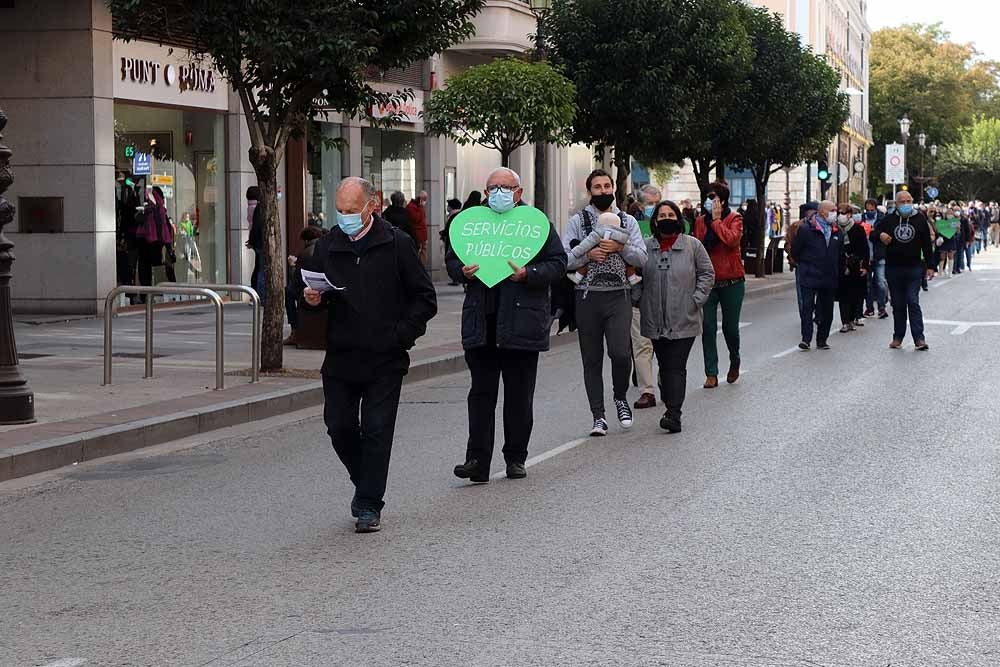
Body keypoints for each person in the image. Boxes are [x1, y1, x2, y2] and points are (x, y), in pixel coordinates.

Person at [301, 176, 437, 533]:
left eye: (351, 210)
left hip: (385, 358)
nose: (344, 217)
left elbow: (425, 299)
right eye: (339, 210)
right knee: (339, 427)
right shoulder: (329, 244)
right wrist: (311, 299)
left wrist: (400, 336)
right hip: (342, 356)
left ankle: (368, 504)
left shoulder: (396, 244)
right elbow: (310, 292)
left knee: (377, 430)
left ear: (371, 206)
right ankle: (366, 482)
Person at [447, 168, 566, 483]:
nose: (498, 193)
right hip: (481, 324)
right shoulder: (472, 223)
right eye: (492, 188)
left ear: (519, 191)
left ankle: (516, 457)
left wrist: (529, 274)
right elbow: (452, 260)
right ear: (485, 192)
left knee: (518, 396)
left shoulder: (536, 225)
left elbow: (558, 263)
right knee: (481, 395)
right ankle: (477, 461)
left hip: (521, 324)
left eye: (505, 187)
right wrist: (463, 272)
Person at [562, 169, 647, 437]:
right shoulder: (578, 221)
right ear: (590, 192)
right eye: (597, 187)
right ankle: (598, 417)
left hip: (619, 295)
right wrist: (589, 254)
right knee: (592, 359)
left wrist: (622, 249)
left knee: (621, 353)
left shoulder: (627, 220)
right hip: (587, 296)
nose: (602, 190)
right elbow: (564, 259)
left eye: (606, 185)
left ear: (613, 188)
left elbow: (642, 258)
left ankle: (620, 397)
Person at [635, 201, 714, 433]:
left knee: (675, 365)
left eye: (671, 214)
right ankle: (671, 405)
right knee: (664, 363)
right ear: (655, 220)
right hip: (654, 317)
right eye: (662, 215)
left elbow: (707, 274)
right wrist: (638, 298)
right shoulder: (646, 247)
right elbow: (635, 274)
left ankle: (673, 413)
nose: (666, 218)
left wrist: (696, 300)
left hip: (684, 317)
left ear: (678, 218)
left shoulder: (693, 246)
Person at [692, 180, 744, 387]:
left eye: (713, 197)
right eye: (707, 197)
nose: (709, 201)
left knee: (731, 328)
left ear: (722, 200)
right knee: (708, 328)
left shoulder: (735, 218)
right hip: (708, 283)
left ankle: (735, 360)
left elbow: (731, 240)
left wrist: (715, 221)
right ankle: (711, 372)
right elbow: (697, 248)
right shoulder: (698, 222)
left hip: (732, 281)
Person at [876, 191, 935, 351]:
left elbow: (927, 245)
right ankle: (898, 337)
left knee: (912, 301)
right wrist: (880, 235)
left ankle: (919, 338)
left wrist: (931, 266)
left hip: (914, 267)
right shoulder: (889, 219)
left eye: (908, 200)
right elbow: (874, 234)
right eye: (902, 201)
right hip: (894, 268)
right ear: (896, 203)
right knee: (898, 304)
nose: (906, 204)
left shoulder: (920, 219)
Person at [791, 200, 842, 350]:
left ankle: (822, 339)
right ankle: (806, 339)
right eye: (832, 210)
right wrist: (806, 264)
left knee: (826, 310)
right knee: (807, 307)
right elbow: (795, 250)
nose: (835, 213)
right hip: (810, 275)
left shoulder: (836, 231)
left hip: (829, 277)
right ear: (822, 212)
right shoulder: (806, 229)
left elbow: (840, 254)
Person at [630, 184, 661, 409]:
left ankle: (666, 381)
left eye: (657, 202)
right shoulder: (630, 226)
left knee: (664, 344)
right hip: (639, 294)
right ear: (640, 205)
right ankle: (647, 391)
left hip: (665, 296)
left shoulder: (672, 224)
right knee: (642, 345)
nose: (655, 208)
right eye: (651, 204)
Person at [284, 225, 326, 346]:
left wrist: (292, 266)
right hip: (324, 287)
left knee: (288, 292)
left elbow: (297, 280)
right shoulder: (324, 247)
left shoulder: (305, 252)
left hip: (309, 290)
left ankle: (294, 331)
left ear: (306, 240)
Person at [836, 206, 870, 332]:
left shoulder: (858, 229)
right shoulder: (836, 229)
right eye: (839, 213)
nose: (840, 215)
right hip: (841, 266)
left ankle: (852, 318)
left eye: (843, 213)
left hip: (856, 266)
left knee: (854, 294)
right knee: (843, 295)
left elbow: (865, 249)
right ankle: (845, 321)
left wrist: (865, 266)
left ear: (849, 214)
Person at [862, 199, 888, 319]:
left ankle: (882, 307)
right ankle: (869, 307)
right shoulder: (862, 219)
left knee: (880, 281)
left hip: (879, 255)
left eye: (872, 210)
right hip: (866, 256)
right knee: (867, 284)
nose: (870, 212)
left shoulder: (882, 220)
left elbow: (884, 235)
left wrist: (872, 232)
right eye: (868, 210)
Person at [246, 186, 265, 307]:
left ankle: (256, 295)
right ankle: (259, 296)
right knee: (261, 269)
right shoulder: (258, 207)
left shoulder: (250, 206)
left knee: (258, 267)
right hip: (259, 240)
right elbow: (257, 226)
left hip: (255, 240)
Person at [406, 190, 429, 264]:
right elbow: (416, 219)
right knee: (418, 254)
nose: (425, 201)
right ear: (420, 198)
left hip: (422, 235)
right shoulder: (412, 206)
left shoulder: (419, 206)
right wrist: (420, 207)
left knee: (423, 253)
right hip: (417, 236)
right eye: (424, 199)